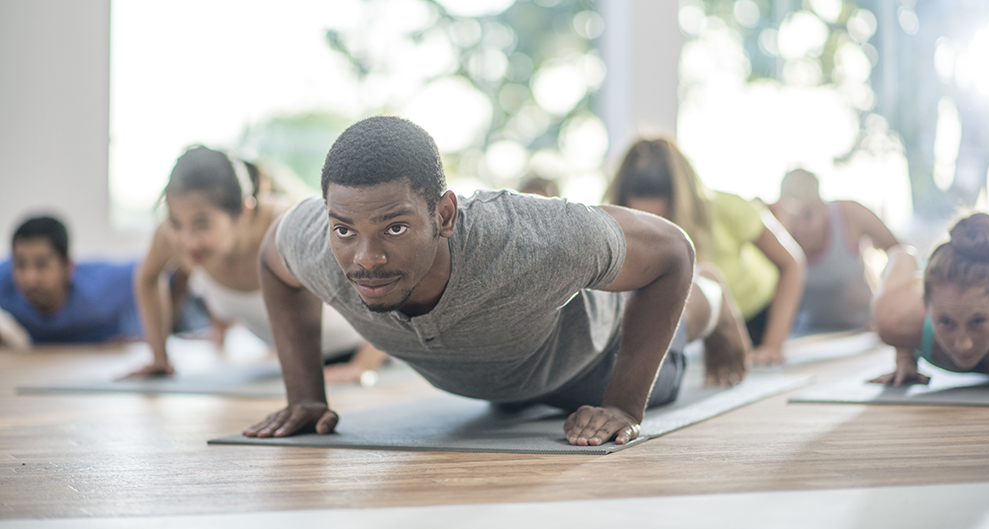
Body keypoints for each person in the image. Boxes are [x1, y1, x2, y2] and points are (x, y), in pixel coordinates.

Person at [243, 116, 750, 446]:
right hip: (502, 377)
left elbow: (672, 251)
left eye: (395, 228)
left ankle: (715, 295)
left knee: (687, 312)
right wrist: (305, 394)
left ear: (444, 214)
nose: (367, 258)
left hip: (595, 360)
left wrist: (622, 404)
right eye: (345, 230)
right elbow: (271, 259)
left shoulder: (531, 238)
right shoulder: (313, 239)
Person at [131, 145, 387, 382]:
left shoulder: (290, 226)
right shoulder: (174, 237)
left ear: (244, 211)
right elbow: (148, 279)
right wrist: (159, 357)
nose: (187, 241)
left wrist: (363, 366)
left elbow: (384, 279)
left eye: (202, 224)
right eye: (175, 222)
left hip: (368, 351)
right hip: (297, 365)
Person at [605, 136, 805, 366]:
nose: (654, 232)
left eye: (663, 219)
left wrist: (772, 346)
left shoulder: (729, 208)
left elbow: (792, 262)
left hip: (761, 316)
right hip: (707, 325)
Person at [870, 213, 989, 385]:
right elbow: (900, 254)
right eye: (945, 322)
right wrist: (904, 356)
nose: (963, 344)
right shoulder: (895, 319)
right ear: (926, 305)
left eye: (978, 321)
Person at [770, 168, 900, 333]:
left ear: (822, 207)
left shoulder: (849, 215)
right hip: (807, 336)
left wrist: (888, 309)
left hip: (864, 329)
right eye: (793, 219)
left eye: (807, 215)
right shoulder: (778, 232)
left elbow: (901, 254)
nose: (801, 228)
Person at [0, 216, 142, 345]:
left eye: (42, 264)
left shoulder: (101, 284)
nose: (30, 278)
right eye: (20, 264)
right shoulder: (5, 280)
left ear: (68, 266)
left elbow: (154, 270)